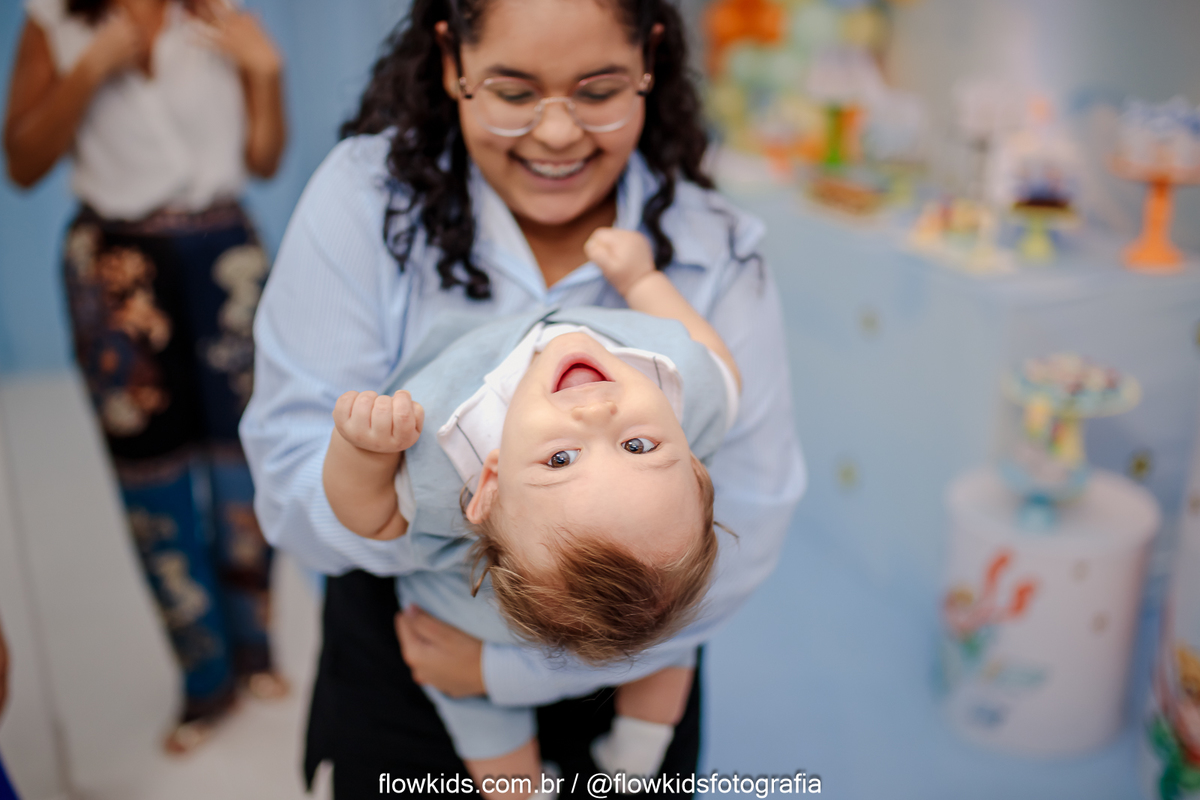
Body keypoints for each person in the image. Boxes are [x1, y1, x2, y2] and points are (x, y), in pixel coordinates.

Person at [238, 0, 806, 793]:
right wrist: (428, 510)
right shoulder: (367, 198)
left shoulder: (716, 247)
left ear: (648, 62)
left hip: (639, 647)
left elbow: (755, 511)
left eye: (599, 91)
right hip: (420, 652)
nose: (558, 134)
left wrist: (507, 669)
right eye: (513, 93)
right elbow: (293, 487)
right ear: (453, 63)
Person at [322, 227, 743, 793]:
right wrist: (643, 281)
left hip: (459, 615)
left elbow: (371, 517)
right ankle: (618, 758)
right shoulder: (692, 388)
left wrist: (361, 450)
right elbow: (719, 361)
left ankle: (580, 769)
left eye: (561, 459)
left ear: (489, 483)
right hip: (525, 599)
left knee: (656, 632)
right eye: (638, 445)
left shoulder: (438, 455)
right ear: (696, 469)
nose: (596, 414)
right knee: (662, 633)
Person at [3, 0, 288, 754]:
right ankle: (204, 677)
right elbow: (22, 165)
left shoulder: (220, 12)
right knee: (150, 472)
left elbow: (265, 160)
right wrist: (87, 71)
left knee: (249, 460)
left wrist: (267, 74)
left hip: (226, 254)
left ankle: (256, 648)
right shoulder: (53, 19)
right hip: (115, 268)